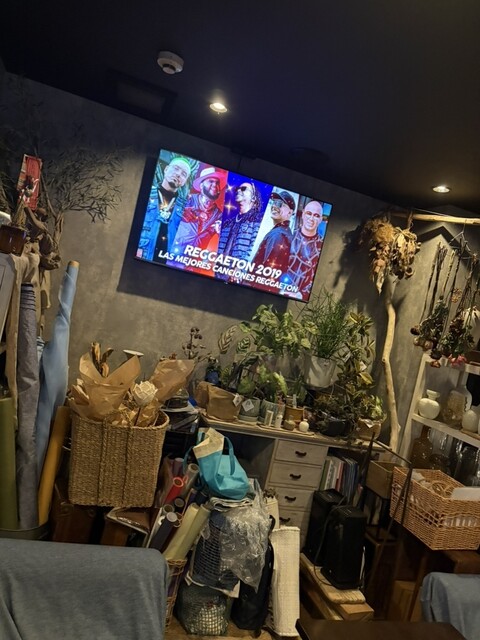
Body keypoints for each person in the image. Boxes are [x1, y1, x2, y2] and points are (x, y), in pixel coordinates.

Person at [137, 156, 192, 262]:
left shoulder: (185, 208)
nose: (178, 174)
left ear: (184, 182)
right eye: (176, 168)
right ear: (166, 169)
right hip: (142, 258)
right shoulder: (146, 193)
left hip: (167, 263)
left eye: (184, 174)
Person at [170, 165, 228, 256]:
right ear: (201, 185)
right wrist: (180, 212)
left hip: (194, 262)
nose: (214, 185)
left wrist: (221, 232)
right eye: (211, 181)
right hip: (171, 256)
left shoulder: (219, 215)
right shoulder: (186, 201)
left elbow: (226, 239)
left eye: (217, 183)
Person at [286, 200, 324, 299]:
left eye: (316, 215)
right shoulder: (288, 236)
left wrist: (302, 294)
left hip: (299, 297)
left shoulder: (321, 245)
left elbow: (318, 277)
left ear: (320, 219)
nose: (311, 218)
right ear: (303, 214)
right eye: (309, 213)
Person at [251, 190, 295, 276]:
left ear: (290, 212)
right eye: (273, 202)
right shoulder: (280, 232)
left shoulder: (279, 235)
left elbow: (269, 273)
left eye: (280, 204)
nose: (274, 206)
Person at [217, 181, 263, 261]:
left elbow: (254, 249)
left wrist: (241, 266)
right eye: (237, 189)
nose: (238, 190)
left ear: (253, 198)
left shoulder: (258, 221)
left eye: (243, 189)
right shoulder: (228, 223)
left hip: (238, 267)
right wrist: (217, 233)